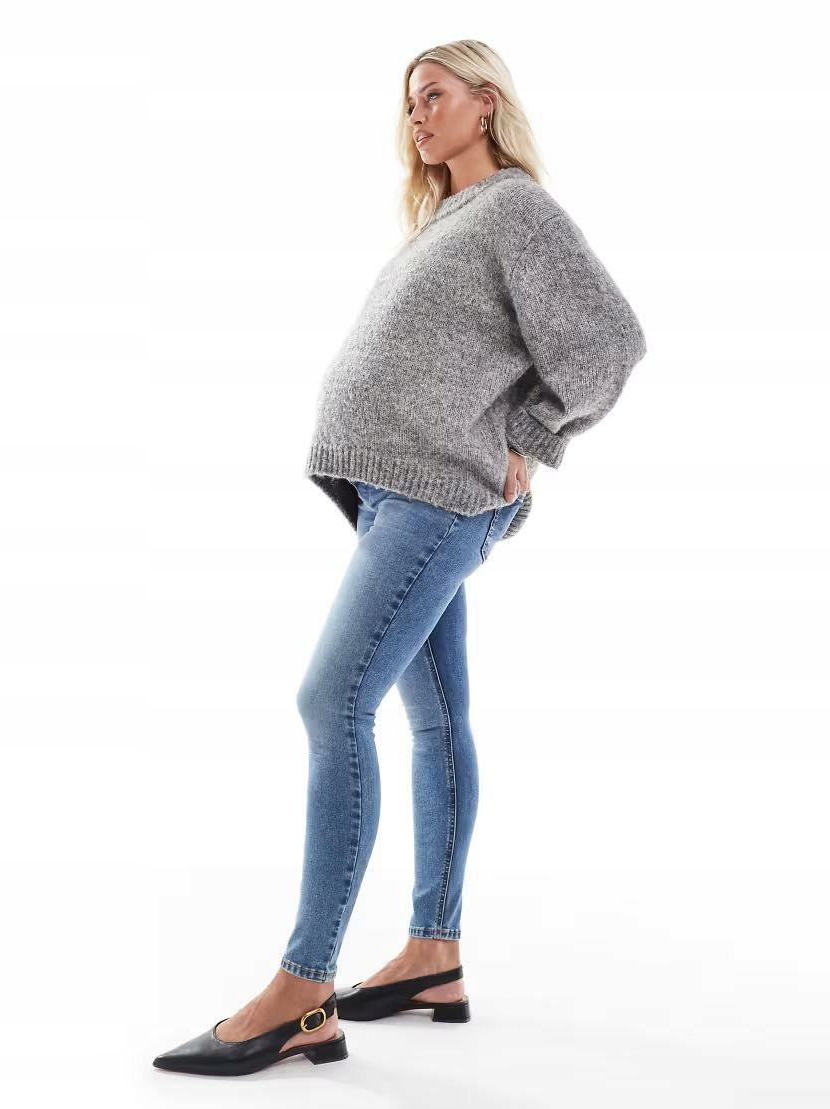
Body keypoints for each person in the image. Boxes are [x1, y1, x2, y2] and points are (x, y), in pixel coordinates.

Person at [153, 37, 647, 1077]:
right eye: (409, 102)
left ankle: (303, 988)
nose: (416, 115)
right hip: (399, 497)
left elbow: (609, 341)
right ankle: (434, 954)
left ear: (486, 102)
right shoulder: (447, 219)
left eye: (433, 95)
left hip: (436, 499)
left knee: (330, 701)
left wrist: (533, 438)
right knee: (434, 721)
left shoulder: (515, 210)